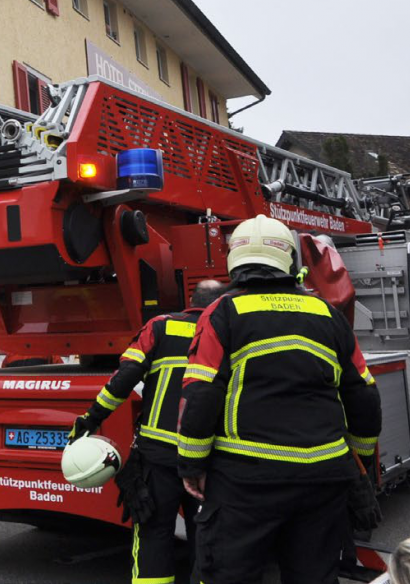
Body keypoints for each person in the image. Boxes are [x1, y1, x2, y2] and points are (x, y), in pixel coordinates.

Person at [176, 215, 382, 584]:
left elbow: (201, 392)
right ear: (288, 259)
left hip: (246, 479)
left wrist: (191, 464)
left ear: (234, 260)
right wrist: (361, 460)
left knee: (226, 574)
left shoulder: (222, 312)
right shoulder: (328, 314)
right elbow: (363, 394)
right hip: (324, 476)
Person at [70, 279, 227, 584]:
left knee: (153, 535)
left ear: (190, 300)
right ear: (219, 304)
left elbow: (125, 378)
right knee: (208, 539)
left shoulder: (159, 326)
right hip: (209, 459)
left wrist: (91, 418)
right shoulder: (225, 331)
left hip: (158, 457)